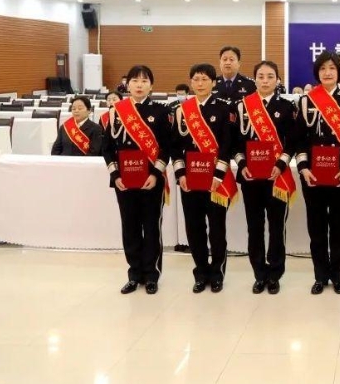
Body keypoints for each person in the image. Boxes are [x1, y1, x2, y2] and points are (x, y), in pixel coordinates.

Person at [293, 52, 340, 295]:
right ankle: (320, 276)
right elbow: (299, 139)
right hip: (312, 175)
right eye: (323, 68)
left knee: (338, 228)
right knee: (316, 229)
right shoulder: (306, 101)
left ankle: (338, 276)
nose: (327, 72)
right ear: (317, 72)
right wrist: (303, 168)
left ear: (339, 72)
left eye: (332, 68)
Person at [102, 65, 171, 295]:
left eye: (144, 81)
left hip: (151, 180)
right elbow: (107, 148)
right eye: (134, 80)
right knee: (129, 227)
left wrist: (155, 173)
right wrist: (115, 175)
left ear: (151, 85)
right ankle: (134, 274)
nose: (139, 85)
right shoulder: (115, 111)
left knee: (151, 227)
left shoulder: (161, 112)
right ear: (127, 84)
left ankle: (151, 275)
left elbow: (167, 147)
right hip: (124, 181)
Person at [172, 63, 236, 294]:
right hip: (190, 181)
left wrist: (218, 175)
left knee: (217, 229)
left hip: (215, 181)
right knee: (194, 229)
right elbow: (175, 146)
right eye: (196, 79)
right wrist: (180, 174)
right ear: (191, 82)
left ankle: (217, 274)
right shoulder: (181, 110)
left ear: (213, 83)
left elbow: (227, 145)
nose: (200, 84)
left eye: (205, 79)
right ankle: (200, 273)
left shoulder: (224, 109)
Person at [234, 61, 297, 295]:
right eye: (260, 76)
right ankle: (259, 274)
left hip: (277, 177)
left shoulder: (287, 107)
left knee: (277, 227)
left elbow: (293, 141)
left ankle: (275, 274)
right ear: (255, 79)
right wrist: (242, 164)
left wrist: (281, 164)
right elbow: (235, 142)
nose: (265, 80)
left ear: (278, 80)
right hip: (251, 177)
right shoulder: (242, 106)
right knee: (255, 227)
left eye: (270, 76)